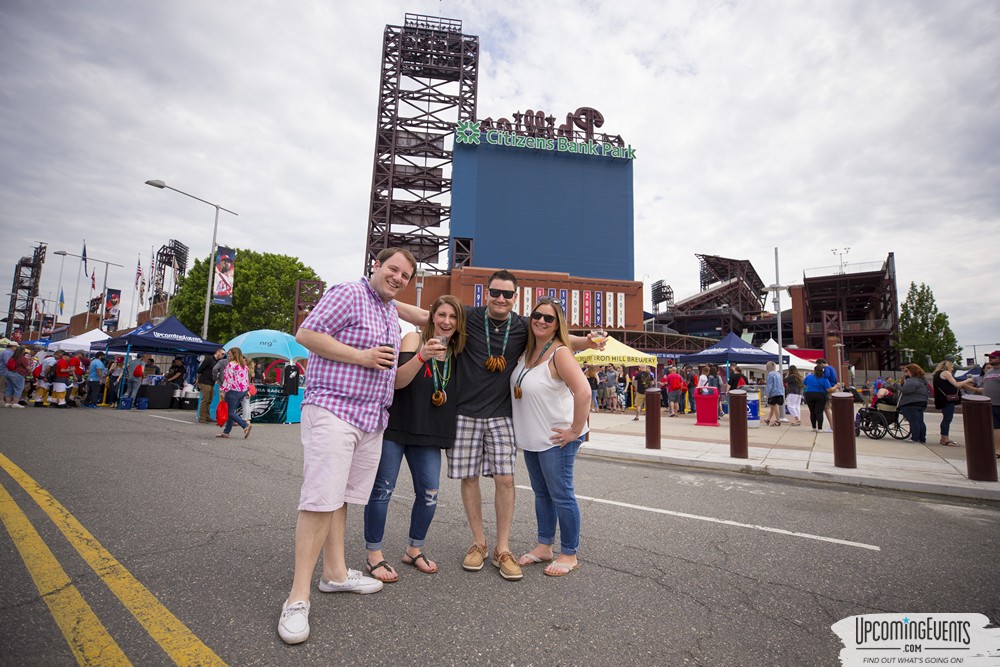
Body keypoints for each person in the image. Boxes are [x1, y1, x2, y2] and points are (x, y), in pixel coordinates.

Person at [394, 269, 601, 582]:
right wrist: (382, 297)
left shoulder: (522, 325)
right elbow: (425, 315)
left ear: (515, 298)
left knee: (505, 479)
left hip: (502, 414)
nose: (501, 298)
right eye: (495, 292)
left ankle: (502, 548)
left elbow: (557, 335)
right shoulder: (468, 317)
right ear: (486, 293)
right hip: (464, 413)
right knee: (469, 479)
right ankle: (478, 542)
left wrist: (585, 340)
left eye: (507, 294)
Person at [278, 247, 416, 645]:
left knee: (341, 498)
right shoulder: (349, 293)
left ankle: (335, 574)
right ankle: (297, 597)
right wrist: (361, 356)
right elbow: (305, 334)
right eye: (393, 269)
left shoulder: (391, 314)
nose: (397, 277)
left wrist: (421, 351)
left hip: (371, 417)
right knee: (321, 498)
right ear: (376, 266)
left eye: (405, 275)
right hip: (334, 408)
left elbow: (392, 371)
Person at [362, 295, 467, 583]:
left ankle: (414, 549)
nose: (446, 321)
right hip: (397, 427)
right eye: (441, 314)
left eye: (453, 317)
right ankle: (374, 554)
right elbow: (397, 382)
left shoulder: (459, 352)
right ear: (432, 317)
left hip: (430, 431)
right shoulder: (413, 338)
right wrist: (423, 356)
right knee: (383, 491)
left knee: (430, 495)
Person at [511, 298, 590, 577]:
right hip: (533, 438)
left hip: (556, 439)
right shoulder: (527, 351)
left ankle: (569, 553)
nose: (542, 321)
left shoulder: (560, 353)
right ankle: (544, 546)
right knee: (542, 493)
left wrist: (574, 430)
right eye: (538, 316)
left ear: (558, 325)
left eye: (549, 318)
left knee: (561, 494)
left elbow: (584, 392)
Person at [932, 357, 975, 446]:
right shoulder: (946, 373)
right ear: (948, 366)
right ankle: (945, 438)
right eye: (952, 367)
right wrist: (969, 380)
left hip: (941, 399)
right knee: (947, 418)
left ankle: (944, 437)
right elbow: (956, 384)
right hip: (948, 399)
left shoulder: (937, 374)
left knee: (946, 418)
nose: (953, 369)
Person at [217, 347, 252, 439]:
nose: (227, 355)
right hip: (242, 391)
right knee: (231, 411)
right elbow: (246, 379)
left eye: (229, 354)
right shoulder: (244, 365)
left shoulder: (230, 365)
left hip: (233, 391)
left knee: (229, 412)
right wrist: (247, 390)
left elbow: (228, 379)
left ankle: (245, 425)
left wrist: (223, 390)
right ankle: (226, 432)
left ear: (233, 355)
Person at [973, 351, 1000, 458]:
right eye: (990, 357)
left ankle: (998, 450)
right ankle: (996, 448)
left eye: (993, 357)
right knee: (995, 427)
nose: (990, 359)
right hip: (989, 403)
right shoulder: (988, 373)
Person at [897, 363, 930, 444]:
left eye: (906, 371)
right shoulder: (922, 381)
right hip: (921, 402)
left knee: (913, 421)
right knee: (920, 421)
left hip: (910, 403)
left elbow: (906, 391)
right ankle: (922, 438)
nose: (906, 372)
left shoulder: (911, 381)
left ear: (911, 371)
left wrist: (896, 385)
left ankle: (914, 438)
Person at [197, 349, 226, 423]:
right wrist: (199, 380)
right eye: (222, 354)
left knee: (209, 400)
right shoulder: (209, 359)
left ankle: (207, 416)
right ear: (218, 352)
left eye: (224, 354)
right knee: (205, 400)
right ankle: (202, 417)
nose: (223, 356)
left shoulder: (218, 362)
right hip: (205, 381)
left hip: (211, 382)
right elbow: (200, 370)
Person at [802, 365, 834, 431]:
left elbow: (804, 384)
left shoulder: (809, 377)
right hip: (820, 395)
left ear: (814, 370)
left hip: (809, 394)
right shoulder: (824, 379)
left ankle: (814, 427)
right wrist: (836, 386)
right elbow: (828, 389)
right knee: (819, 412)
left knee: (812, 411)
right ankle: (820, 428)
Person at [2, 343, 27, 408]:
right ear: (23, 351)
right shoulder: (22, 358)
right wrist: (30, 372)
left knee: (9, 388)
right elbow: (27, 367)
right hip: (18, 374)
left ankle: (8, 403)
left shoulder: (12, 357)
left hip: (8, 373)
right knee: (18, 388)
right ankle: (15, 403)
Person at [763, 361, 785, 426]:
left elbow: (769, 385)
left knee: (775, 406)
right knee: (773, 407)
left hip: (774, 392)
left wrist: (767, 394)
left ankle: (778, 420)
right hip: (780, 391)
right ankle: (768, 419)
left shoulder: (770, 374)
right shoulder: (778, 374)